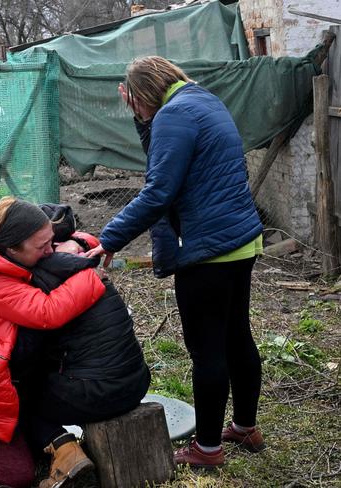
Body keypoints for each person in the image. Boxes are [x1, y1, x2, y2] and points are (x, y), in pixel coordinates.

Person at [85, 56, 265, 468]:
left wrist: (110, 237)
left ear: (143, 94)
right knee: (237, 336)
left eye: (133, 104)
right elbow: (163, 158)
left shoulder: (173, 116)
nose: (135, 112)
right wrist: (142, 117)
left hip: (208, 250)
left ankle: (206, 450)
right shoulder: (202, 101)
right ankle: (244, 427)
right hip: (241, 240)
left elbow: (158, 190)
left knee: (207, 351)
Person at [0, 197, 106, 488]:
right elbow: (47, 312)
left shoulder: (15, 246)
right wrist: (89, 275)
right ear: (13, 249)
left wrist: (79, 246)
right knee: (18, 475)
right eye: (42, 248)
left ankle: (30, 425)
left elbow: (81, 239)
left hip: (13, 375)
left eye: (51, 241)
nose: (50, 251)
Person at [13, 204, 151, 488]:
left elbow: (27, 354)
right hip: (136, 382)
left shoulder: (38, 280)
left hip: (98, 394)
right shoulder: (82, 263)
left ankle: (63, 448)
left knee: (13, 393)